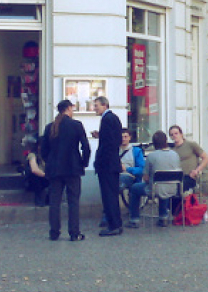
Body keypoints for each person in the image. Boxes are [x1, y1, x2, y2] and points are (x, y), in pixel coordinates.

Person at [40, 99, 90, 241]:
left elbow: (43, 150)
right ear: (68, 108)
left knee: (55, 201)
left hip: (55, 169)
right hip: (72, 168)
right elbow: (85, 147)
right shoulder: (76, 125)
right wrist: (83, 163)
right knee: (73, 201)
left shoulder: (50, 127)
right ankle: (74, 232)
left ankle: (54, 232)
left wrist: (49, 161)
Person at [92, 96, 124, 236]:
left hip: (108, 165)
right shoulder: (112, 118)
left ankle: (114, 225)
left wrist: (100, 161)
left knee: (108, 195)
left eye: (97, 105)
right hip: (111, 163)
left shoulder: (107, 119)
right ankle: (115, 223)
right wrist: (101, 135)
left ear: (104, 105)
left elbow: (109, 143)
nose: (95, 108)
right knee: (111, 195)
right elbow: (113, 139)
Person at [144, 130, 184, 227]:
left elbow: (146, 177)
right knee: (163, 185)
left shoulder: (151, 156)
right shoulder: (175, 154)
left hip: (156, 189)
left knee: (135, 189)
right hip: (173, 189)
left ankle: (134, 219)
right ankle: (163, 217)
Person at [167, 125, 208, 194]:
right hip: (176, 176)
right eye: (172, 135)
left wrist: (197, 170)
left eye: (176, 133)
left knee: (178, 188)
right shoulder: (171, 149)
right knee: (166, 187)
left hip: (189, 176)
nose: (174, 136)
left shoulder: (191, 145)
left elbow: (206, 158)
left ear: (181, 134)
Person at [118, 129, 147, 227]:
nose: (123, 139)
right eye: (121, 137)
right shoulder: (115, 150)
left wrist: (128, 169)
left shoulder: (136, 151)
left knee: (115, 186)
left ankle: (133, 218)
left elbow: (141, 168)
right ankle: (108, 215)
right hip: (116, 175)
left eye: (126, 137)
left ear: (130, 137)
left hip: (131, 176)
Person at [23, 140, 49, 206]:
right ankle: (39, 200)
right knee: (34, 176)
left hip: (44, 178)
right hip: (33, 180)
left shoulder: (48, 155)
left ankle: (49, 199)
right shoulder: (32, 155)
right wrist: (46, 175)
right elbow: (34, 170)